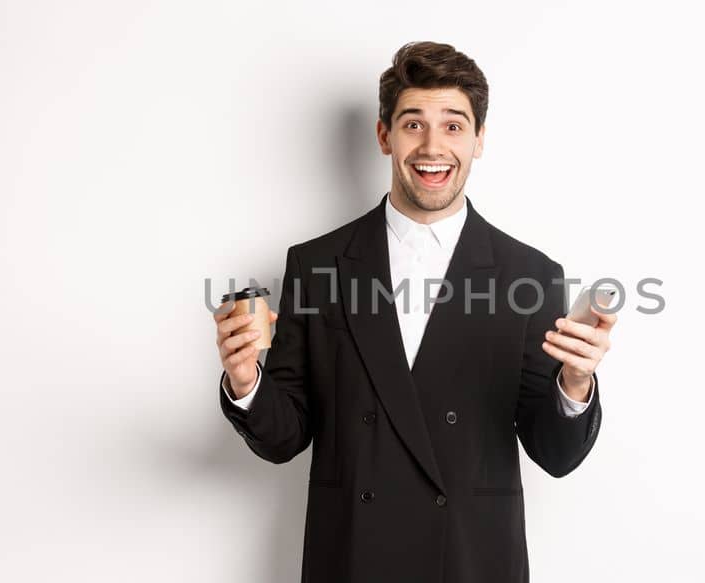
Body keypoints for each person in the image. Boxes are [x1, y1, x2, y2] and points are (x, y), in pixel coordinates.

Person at [210, 41, 616, 583]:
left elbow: (556, 454)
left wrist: (574, 383)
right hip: (353, 557)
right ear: (385, 136)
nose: (432, 146)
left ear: (479, 140)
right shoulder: (316, 264)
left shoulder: (530, 274)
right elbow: (285, 438)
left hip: (472, 561)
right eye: (412, 124)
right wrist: (246, 382)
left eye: (453, 126)